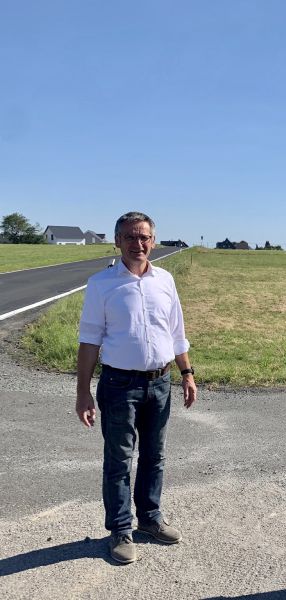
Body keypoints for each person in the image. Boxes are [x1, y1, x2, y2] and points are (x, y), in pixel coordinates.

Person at [75, 211, 197, 565]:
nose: (137, 244)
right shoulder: (101, 284)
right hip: (118, 385)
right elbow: (88, 341)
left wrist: (187, 373)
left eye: (144, 237)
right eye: (129, 237)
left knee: (155, 457)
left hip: (160, 383)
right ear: (118, 241)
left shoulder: (165, 280)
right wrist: (83, 393)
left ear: (153, 241)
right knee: (119, 460)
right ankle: (120, 529)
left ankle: (150, 519)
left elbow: (176, 332)